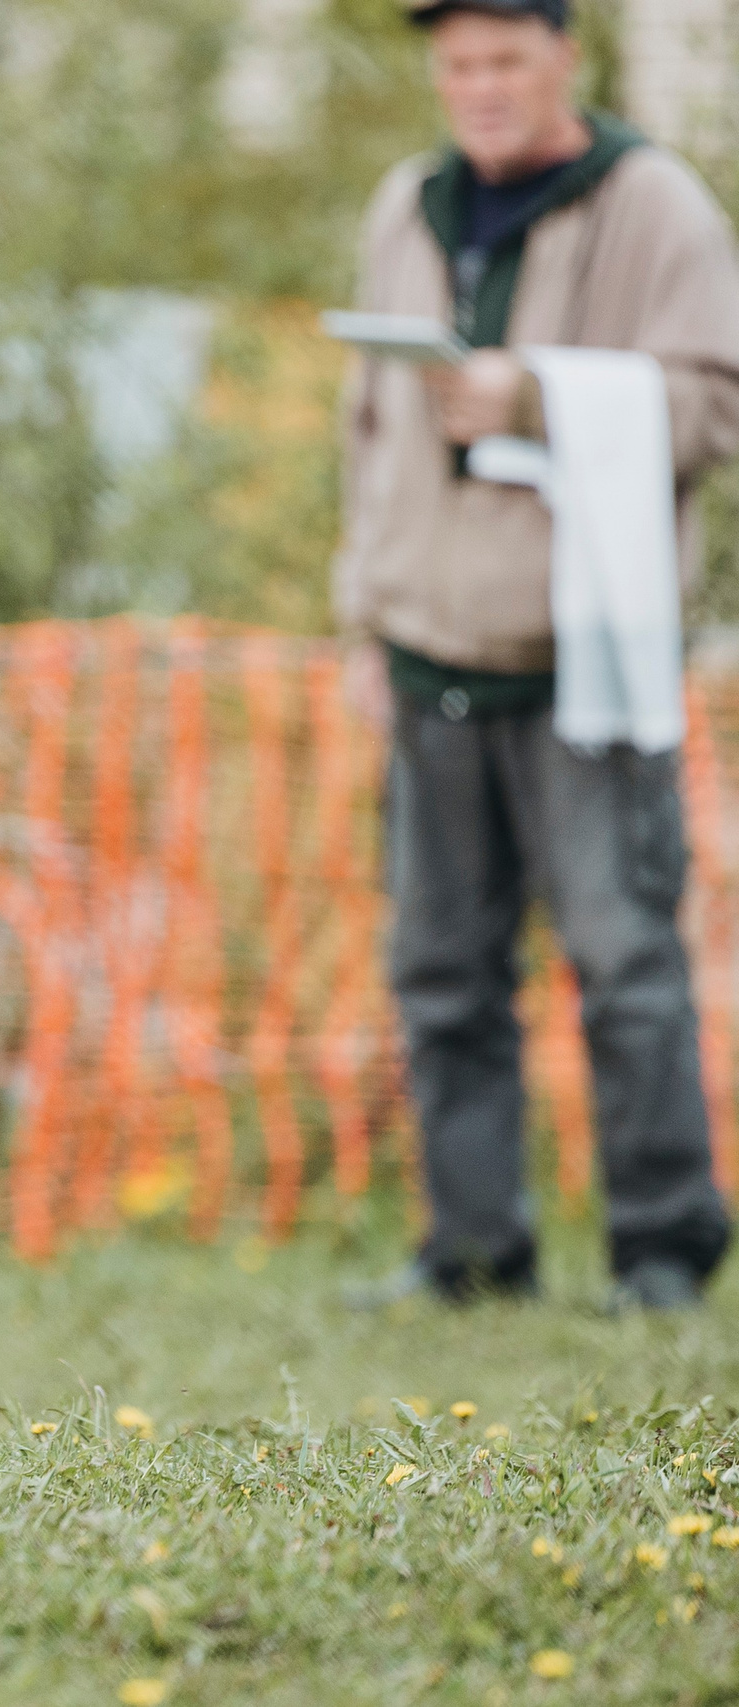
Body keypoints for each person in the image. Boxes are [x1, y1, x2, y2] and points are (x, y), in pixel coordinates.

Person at [335, 0, 739, 1309]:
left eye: (507, 58)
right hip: (428, 651)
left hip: (585, 659)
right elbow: (366, 438)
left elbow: (715, 401)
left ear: (567, 56)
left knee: (625, 964)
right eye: (458, 64)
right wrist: (363, 616)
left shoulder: (654, 207)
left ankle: (665, 1247)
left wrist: (544, 393)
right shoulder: (409, 205)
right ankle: (470, 1248)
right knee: (441, 969)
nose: (483, 87)